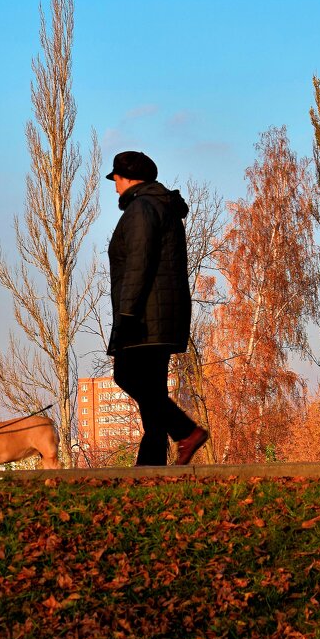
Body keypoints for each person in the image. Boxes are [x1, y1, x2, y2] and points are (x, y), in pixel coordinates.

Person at [105, 150, 209, 466]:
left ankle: (186, 431)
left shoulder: (141, 209)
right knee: (151, 389)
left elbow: (138, 265)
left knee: (127, 375)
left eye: (116, 179)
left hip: (144, 317)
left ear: (128, 179)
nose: (114, 187)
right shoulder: (160, 207)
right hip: (160, 315)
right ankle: (150, 464)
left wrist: (126, 315)